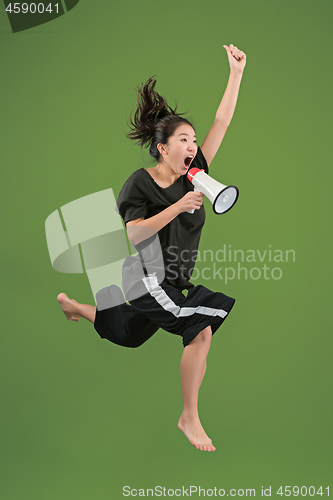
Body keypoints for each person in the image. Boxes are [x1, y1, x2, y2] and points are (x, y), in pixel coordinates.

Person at [57, 44, 246, 452]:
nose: (193, 145)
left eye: (194, 140)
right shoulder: (140, 183)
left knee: (129, 335)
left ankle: (75, 307)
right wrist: (177, 206)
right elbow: (135, 234)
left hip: (172, 279)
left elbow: (222, 120)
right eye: (184, 139)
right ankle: (188, 416)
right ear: (162, 148)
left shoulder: (195, 176)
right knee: (200, 326)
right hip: (145, 277)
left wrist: (235, 74)